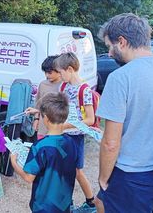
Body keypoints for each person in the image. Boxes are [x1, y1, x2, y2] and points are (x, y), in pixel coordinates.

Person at [94, 13, 153, 213]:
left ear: (122, 41)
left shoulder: (120, 78)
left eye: (109, 47)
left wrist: (103, 179)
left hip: (132, 176)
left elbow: (111, 143)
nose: (109, 54)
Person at [11, 92, 78, 213]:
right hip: (64, 204)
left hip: (44, 206)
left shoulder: (40, 147)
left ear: (45, 118)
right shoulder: (71, 142)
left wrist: (14, 162)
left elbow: (28, 177)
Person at [54, 52, 97, 211]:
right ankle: (67, 202)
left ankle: (91, 202)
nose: (59, 75)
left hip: (75, 138)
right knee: (63, 170)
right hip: (63, 136)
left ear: (70, 69)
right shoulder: (63, 86)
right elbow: (59, 107)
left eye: (60, 72)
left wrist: (67, 125)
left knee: (77, 171)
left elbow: (90, 119)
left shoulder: (84, 90)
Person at [32, 55, 63, 136]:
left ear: (59, 71)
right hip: (42, 127)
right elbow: (38, 106)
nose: (47, 75)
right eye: (45, 72)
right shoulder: (43, 84)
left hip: (58, 128)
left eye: (50, 73)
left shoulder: (64, 86)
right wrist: (36, 119)